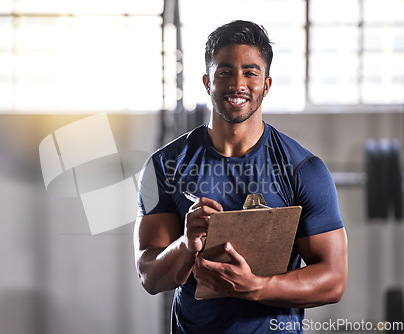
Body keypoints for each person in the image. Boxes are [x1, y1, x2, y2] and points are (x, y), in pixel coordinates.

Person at [133, 20, 348, 333]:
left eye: (250, 72)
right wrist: (186, 244)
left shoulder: (303, 170)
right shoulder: (165, 165)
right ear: (207, 82)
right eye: (225, 72)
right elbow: (149, 276)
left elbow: (334, 280)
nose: (238, 84)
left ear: (267, 85)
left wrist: (256, 287)